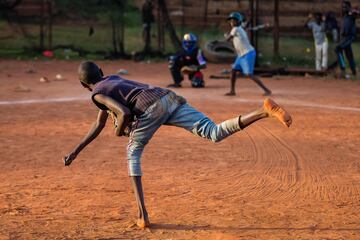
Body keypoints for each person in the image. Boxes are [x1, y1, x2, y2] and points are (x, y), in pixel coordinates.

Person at [63, 61, 292, 229]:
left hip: (150, 109)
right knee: (213, 132)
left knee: (133, 154)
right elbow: (99, 122)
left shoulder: (96, 94)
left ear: (84, 85)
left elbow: (121, 112)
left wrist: (118, 131)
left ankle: (143, 216)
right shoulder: (111, 80)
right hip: (167, 97)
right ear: (101, 72)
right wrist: (76, 151)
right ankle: (263, 111)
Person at [224, 12, 271, 96]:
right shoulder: (239, 29)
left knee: (249, 74)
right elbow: (235, 41)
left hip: (248, 54)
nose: (232, 22)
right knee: (234, 71)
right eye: (231, 21)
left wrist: (226, 36)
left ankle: (267, 90)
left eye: (234, 20)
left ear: (238, 21)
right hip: (241, 55)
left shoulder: (236, 29)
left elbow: (227, 39)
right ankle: (232, 91)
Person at [335, 1, 359, 78]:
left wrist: (352, 10)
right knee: (349, 55)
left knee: (338, 49)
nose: (343, 8)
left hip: (350, 36)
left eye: (345, 6)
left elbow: (357, 13)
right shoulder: (344, 16)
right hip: (344, 38)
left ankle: (343, 69)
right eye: (343, 7)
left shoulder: (351, 14)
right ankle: (354, 71)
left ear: (349, 7)